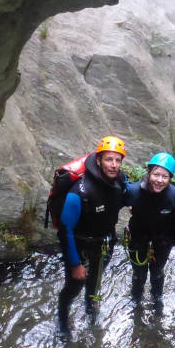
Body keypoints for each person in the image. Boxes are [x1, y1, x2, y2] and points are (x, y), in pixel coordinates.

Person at [56, 135, 128, 334]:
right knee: (74, 285)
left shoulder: (120, 180)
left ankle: (91, 309)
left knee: (95, 280)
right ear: (98, 160)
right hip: (80, 246)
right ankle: (63, 319)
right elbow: (65, 230)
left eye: (117, 160)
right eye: (108, 159)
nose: (113, 165)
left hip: (104, 243)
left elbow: (130, 195)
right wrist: (75, 264)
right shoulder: (79, 191)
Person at [124, 152, 175, 312]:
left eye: (165, 176)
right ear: (149, 173)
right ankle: (136, 298)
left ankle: (157, 298)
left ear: (170, 178)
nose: (159, 180)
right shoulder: (133, 192)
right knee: (139, 272)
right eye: (156, 174)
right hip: (138, 238)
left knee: (157, 271)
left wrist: (172, 241)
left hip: (162, 240)